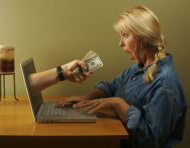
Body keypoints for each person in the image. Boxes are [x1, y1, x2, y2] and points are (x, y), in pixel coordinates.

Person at [56, 6, 187, 148]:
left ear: (144, 38)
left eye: (125, 35)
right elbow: (111, 87)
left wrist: (118, 104)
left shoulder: (165, 85)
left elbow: (149, 140)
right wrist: (87, 96)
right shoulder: (139, 67)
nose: (120, 43)